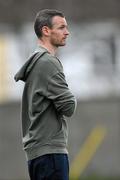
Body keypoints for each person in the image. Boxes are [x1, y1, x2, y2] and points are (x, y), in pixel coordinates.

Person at [14, 9, 77, 180]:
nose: (67, 32)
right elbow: (69, 107)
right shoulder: (48, 62)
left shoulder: (35, 61)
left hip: (38, 154)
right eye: (62, 27)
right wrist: (70, 95)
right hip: (50, 153)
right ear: (46, 31)